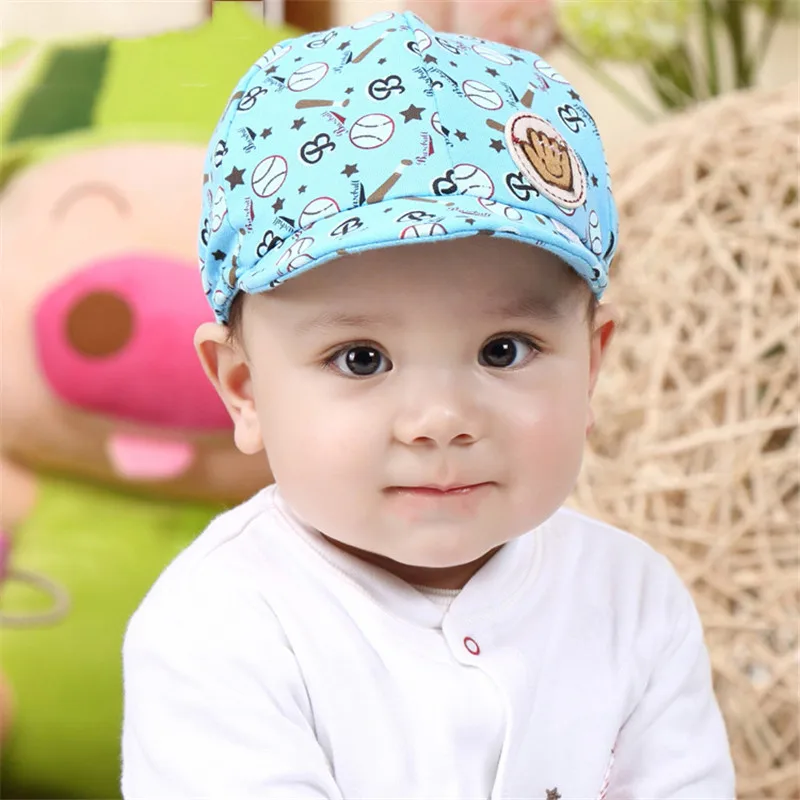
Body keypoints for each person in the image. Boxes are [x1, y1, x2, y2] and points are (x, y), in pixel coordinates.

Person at [121, 10, 735, 799]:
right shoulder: (219, 625)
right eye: (361, 358)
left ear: (591, 365)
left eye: (503, 349)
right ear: (244, 389)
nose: (440, 419)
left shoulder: (633, 599)